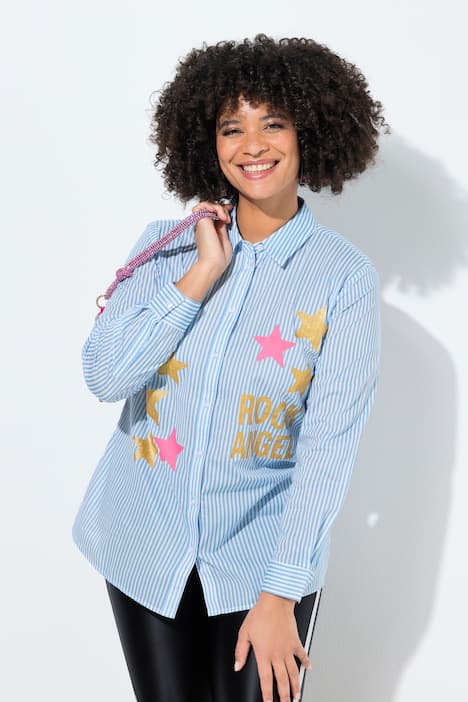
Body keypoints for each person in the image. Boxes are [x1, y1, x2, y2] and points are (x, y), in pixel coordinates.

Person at [72, 33, 389, 702]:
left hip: (260, 568)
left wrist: (280, 593)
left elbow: (328, 450)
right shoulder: (165, 249)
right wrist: (200, 274)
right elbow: (105, 376)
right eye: (231, 127)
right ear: (207, 142)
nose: (252, 145)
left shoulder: (343, 279)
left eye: (273, 123)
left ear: (310, 133)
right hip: (143, 548)